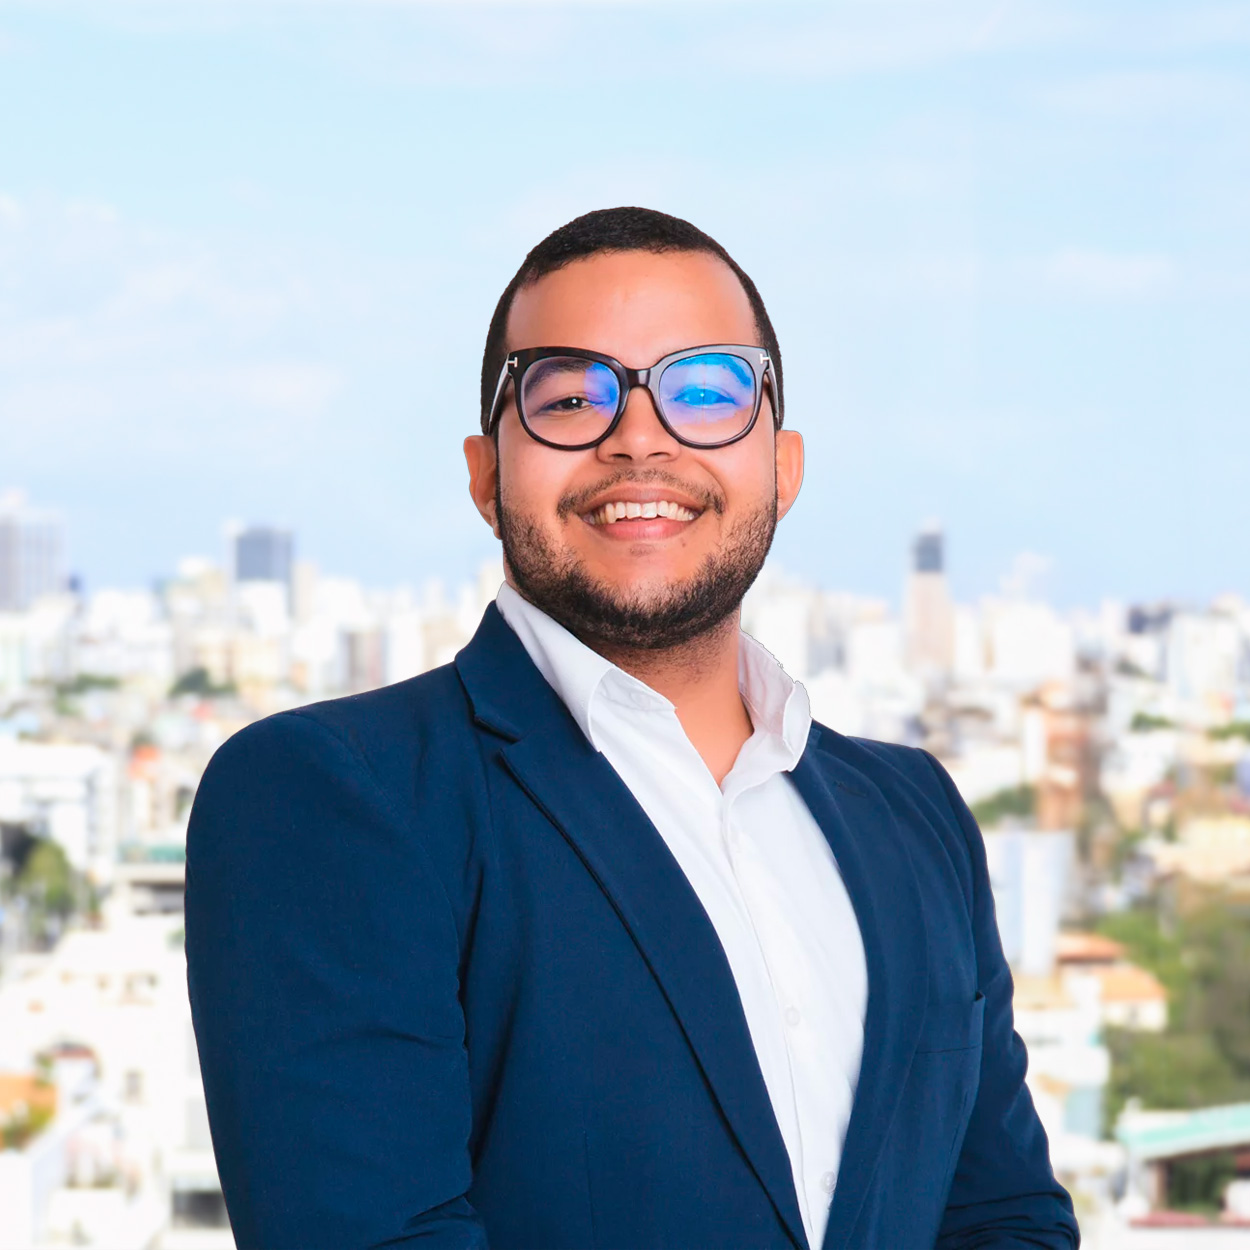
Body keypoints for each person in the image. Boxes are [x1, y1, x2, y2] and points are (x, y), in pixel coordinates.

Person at [186, 207, 1079, 1250]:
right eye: (570, 396)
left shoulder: (913, 813)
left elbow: (1004, 1215)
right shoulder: (334, 792)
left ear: (783, 465)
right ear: (485, 474)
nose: (640, 438)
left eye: (705, 391)